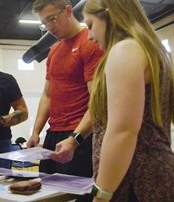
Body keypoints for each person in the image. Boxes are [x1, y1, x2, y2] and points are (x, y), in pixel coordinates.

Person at [52, 0, 174, 201]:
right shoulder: (152, 51)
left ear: (109, 15)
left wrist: (102, 194)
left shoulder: (125, 50)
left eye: (91, 25)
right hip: (153, 176)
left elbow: (123, 131)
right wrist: (76, 140)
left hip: (134, 180)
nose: (89, 36)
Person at [27, 0, 103, 200]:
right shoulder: (54, 50)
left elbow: (97, 101)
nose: (50, 27)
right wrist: (36, 131)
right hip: (54, 136)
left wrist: (75, 139)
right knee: (44, 195)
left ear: (68, 10)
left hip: (81, 137)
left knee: (78, 197)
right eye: (45, 23)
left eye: (52, 19)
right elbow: (48, 95)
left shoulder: (90, 42)